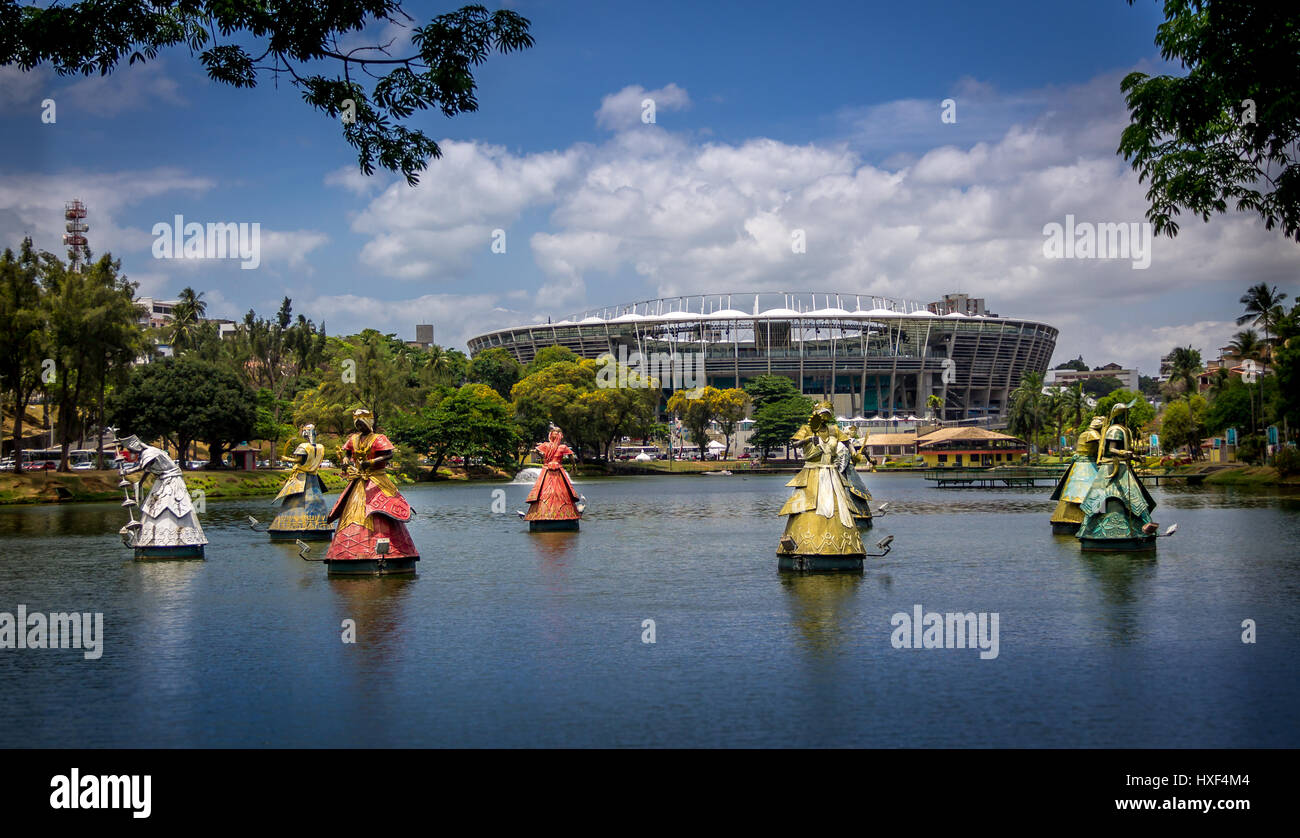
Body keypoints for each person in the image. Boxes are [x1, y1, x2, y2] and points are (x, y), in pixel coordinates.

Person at [324, 409, 419, 563]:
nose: (360, 428)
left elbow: (389, 454)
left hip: (377, 479)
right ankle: (349, 551)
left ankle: (391, 550)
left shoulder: (378, 438)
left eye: (362, 425)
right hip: (359, 481)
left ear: (369, 423)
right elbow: (347, 453)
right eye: (358, 425)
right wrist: (346, 461)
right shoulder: (353, 439)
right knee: (351, 510)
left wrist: (372, 462)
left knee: (383, 507)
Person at [776, 402, 865, 558]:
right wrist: (809, 439)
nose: (825, 416)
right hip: (812, 472)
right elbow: (795, 444)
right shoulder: (807, 428)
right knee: (809, 505)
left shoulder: (834, 430)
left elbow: (847, 442)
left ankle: (844, 547)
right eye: (822, 412)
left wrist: (854, 454)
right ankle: (803, 546)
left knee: (839, 507)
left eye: (828, 413)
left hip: (831, 472)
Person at [1077, 400, 1158, 542]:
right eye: (1124, 413)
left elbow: (1126, 451)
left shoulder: (1124, 429)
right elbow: (1111, 449)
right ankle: (1088, 531)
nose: (1127, 415)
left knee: (1137, 500)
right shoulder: (1114, 430)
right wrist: (1123, 452)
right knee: (1100, 501)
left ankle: (1145, 527)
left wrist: (1135, 457)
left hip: (1123, 467)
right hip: (1113, 469)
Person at [115, 434, 207, 555]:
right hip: (162, 480)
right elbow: (148, 470)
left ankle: (178, 539)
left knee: (172, 507)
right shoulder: (148, 453)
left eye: (132, 450)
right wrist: (140, 483)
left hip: (171, 481)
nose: (133, 453)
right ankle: (149, 539)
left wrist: (127, 471)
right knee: (154, 508)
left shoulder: (150, 452)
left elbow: (144, 467)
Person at [268, 423, 333, 540]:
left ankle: (292, 526)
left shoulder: (304, 446)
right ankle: (320, 525)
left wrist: (286, 459)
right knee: (316, 502)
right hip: (313, 479)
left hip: (302, 477)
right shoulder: (320, 447)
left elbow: (299, 459)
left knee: (298, 502)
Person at [1048, 416, 1105, 533]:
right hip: (1087, 466)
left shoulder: (1084, 433)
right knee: (1092, 492)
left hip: (1079, 465)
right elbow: (1103, 449)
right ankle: (1090, 518)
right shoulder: (1093, 435)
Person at [521, 425, 583, 530]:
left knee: (545, 492)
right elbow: (571, 457)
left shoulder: (548, 446)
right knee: (558, 493)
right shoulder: (560, 447)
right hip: (557, 471)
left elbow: (535, 451)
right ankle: (563, 517)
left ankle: (542, 516)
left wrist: (545, 458)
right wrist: (574, 467)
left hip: (548, 471)